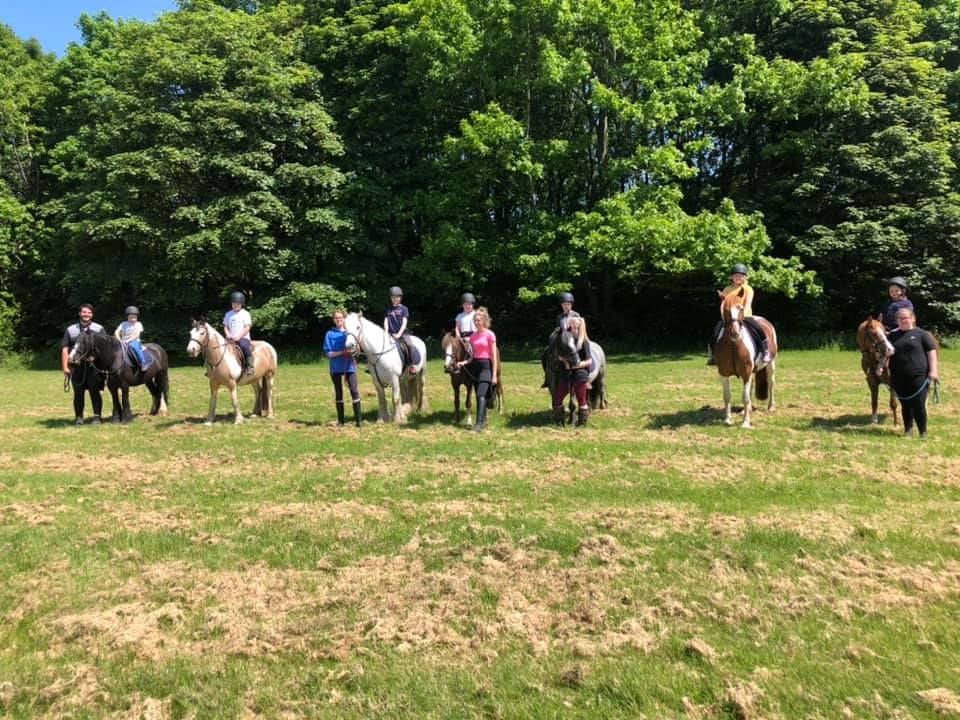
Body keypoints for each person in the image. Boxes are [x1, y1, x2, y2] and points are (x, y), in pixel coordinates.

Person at [886, 307, 938, 437]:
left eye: (906, 317)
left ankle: (923, 432)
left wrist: (933, 371)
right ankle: (908, 430)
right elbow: (886, 354)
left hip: (919, 375)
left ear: (913, 318)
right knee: (905, 404)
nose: (903, 320)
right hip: (898, 375)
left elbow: (931, 352)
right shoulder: (892, 335)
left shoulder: (922, 334)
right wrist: (882, 365)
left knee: (919, 404)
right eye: (900, 318)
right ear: (897, 320)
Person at [707, 264, 772, 365]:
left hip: (745, 316)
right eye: (735, 276)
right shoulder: (727, 289)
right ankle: (712, 354)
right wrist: (724, 317)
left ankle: (765, 351)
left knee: (759, 328)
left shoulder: (748, 289)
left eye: (740, 276)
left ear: (744, 277)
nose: (738, 278)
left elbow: (747, 304)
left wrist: (741, 316)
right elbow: (723, 306)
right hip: (729, 318)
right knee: (716, 331)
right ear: (731, 277)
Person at [61, 303, 106, 425]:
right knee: (78, 393)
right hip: (77, 368)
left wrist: (94, 357)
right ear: (80, 313)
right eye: (84, 312)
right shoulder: (71, 329)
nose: (87, 314)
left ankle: (97, 417)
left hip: (94, 367)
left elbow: (104, 348)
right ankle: (79, 417)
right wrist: (65, 367)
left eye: (89, 312)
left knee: (95, 392)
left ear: (92, 314)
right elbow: (65, 349)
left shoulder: (99, 329)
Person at [457, 306, 498, 432]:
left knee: (481, 394)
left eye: (478, 320)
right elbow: (472, 356)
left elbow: (493, 357)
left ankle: (479, 425)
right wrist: (464, 362)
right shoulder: (473, 336)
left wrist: (494, 374)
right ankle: (483, 420)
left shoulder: (490, 335)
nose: (476, 322)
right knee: (479, 395)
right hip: (475, 366)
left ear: (484, 321)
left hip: (486, 366)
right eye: (475, 320)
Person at [551, 315, 592, 427]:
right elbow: (561, 355)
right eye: (572, 325)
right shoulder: (566, 339)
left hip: (580, 375)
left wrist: (574, 366)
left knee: (581, 400)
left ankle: (582, 424)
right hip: (566, 375)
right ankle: (559, 420)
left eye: (576, 326)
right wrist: (561, 359)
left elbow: (589, 361)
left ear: (580, 328)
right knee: (557, 398)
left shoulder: (584, 343)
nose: (574, 327)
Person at [324, 308, 362, 427]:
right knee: (338, 393)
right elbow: (328, 353)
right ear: (334, 320)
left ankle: (359, 421)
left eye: (340, 317)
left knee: (354, 391)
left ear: (344, 319)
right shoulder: (330, 334)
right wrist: (342, 352)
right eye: (336, 318)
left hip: (350, 366)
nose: (339, 320)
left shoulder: (349, 332)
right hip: (335, 367)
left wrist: (356, 351)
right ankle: (341, 421)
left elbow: (357, 348)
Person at [541, 291, 581, 388]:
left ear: (571, 305)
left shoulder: (575, 315)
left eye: (568, 304)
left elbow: (579, 328)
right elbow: (558, 328)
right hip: (562, 341)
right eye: (564, 305)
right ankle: (547, 377)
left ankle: (584, 376)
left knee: (580, 351)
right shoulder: (559, 316)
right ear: (561, 305)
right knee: (546, 352)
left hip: (572, 340)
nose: (566, 306)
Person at [384, 286, 416, 374]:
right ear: (391, 298)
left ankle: (411, 365)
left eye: (397, 297)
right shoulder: (388, 309)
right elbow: (386, 321)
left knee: (409, 345)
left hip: (402, 334)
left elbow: (404, 323)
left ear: (400, 298)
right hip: (390, 333)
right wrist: (386, 332)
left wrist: (398, 334)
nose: (395, 299)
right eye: (393, 297)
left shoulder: (404, 309)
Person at [224, 291, 254, 375]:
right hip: (230, 338)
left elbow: (247, 327)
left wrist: (239, 337)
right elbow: (226, 327)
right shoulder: (228, 314)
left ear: (241, 304)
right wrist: (228, 335)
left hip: (243, 338)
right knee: (217, 347)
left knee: (244, 347)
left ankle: (250, 366)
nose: (235, 305)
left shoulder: (245, 314)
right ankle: (212, 369)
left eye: (237, 303)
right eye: (234, 303)